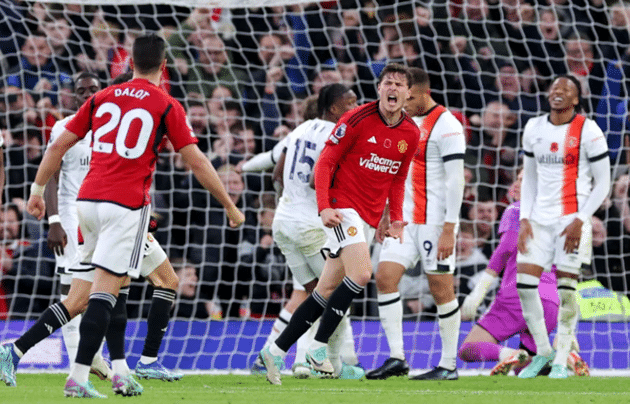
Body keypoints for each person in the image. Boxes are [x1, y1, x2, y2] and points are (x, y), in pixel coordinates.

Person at [7, 34, 244, 398]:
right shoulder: (166, 104)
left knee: (94, 292)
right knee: (105, 293)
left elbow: (56, 146)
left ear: (128, 63)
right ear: (164, 66)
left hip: (87, 205)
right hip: (125, 208)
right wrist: (229, 204)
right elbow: (195, 160)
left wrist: (36, 192)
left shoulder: (102, 98)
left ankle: (107, 368)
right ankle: (81, 377)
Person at [259, 63, 420, 385]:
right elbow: (326, 163)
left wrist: (396, 219)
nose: (393, 89)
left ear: (407, 94)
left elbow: (398, 179)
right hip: (343, 208)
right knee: (361, 273)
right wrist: (323, 208)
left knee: (325, 288)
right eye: (388, 82)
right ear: (379, 88)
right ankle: (318, 348)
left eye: (399, 85)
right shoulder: (357, 118)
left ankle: (276, 350)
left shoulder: (411, 133)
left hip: (369, 216)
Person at [41, 70, 185, 382]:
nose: (87, 94)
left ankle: (111, 364)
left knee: (121, 288)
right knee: (80, 292)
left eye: (93, 88)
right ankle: (88, 362)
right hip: (78, 219)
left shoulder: (111, 126)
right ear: (74, 94)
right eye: (82, 90)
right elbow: (52, 167)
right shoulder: (69, 127)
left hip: (119, 217)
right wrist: (52, 219)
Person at [251, 83, 362, 379]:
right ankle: (328, 365)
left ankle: (292, 357)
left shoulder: (300, 129)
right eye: (351, 103)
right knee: (337, 295)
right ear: (335, 108)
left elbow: (277, 172)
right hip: (311, 226)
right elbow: (317, 179)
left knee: (315, 296)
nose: (355, 109)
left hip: (283, 222)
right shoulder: (336, 135)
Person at [365, 67, 465, 381]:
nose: (401, 102)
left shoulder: (447, 125)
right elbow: (394, 172)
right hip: (403, 221)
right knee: (384, 277)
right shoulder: (403, 123)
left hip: (436, 222)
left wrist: (450, 228)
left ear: (420, 92)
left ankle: (448, 365)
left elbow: (456, 180)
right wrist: (384, 214)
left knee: (440, 288)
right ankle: (397, 357)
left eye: (407, 96)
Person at [516, 75, 610, 379]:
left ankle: (562, 358)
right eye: (554, 87)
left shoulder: (589, 130)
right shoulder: (533, 128)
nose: (558, 92)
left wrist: (581, 220)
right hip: (538, 221)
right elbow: (529, 177)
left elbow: (603, 183)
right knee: (525, 286)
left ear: (575, 100)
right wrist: (524, 219)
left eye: (565, 89)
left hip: (572, 221)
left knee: (567, 292)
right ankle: (543, 351)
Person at [459, 171, 590, 376]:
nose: (518, 183)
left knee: (468, 349)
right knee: (528, 369)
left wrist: (478, 292)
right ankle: (563, 357)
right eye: (517, 179)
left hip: (518, 295)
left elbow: (506, 248)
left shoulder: (517, 209)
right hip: (550, 299)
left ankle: (511, 353)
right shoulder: (560, 216)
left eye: (524, 179)